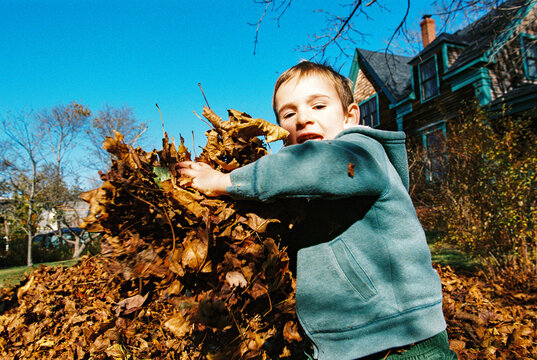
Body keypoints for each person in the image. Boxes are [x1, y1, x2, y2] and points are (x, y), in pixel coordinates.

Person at [177, 61, 457, 360]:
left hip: (402, 341)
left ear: (350, 117)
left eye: (319, 106)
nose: (303, 119)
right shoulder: (303, 191)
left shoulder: (362, 153)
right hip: (342, 346)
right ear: (277, 130)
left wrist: (223, 180)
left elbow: (313, 164)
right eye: (289, 113)